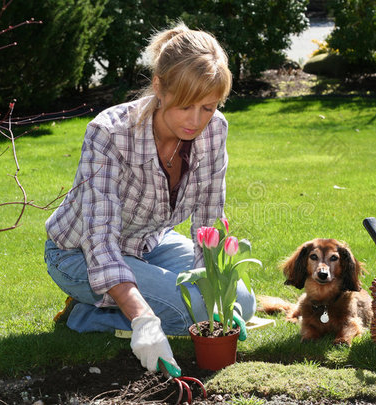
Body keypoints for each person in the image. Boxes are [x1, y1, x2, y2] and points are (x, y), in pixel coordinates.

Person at [44, 23, 256, 373]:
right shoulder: (109, 132)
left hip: (148, 242)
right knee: (189, 311)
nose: (197, 121)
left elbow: (208, 217)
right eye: (186, 106)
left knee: (239, 302)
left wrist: (216, 289)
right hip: (79, 254)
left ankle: (105, 306)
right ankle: (88, 314)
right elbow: (100, 241)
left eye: (207, 106)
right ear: (159, 86)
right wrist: (143, 319)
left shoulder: (215, 129)